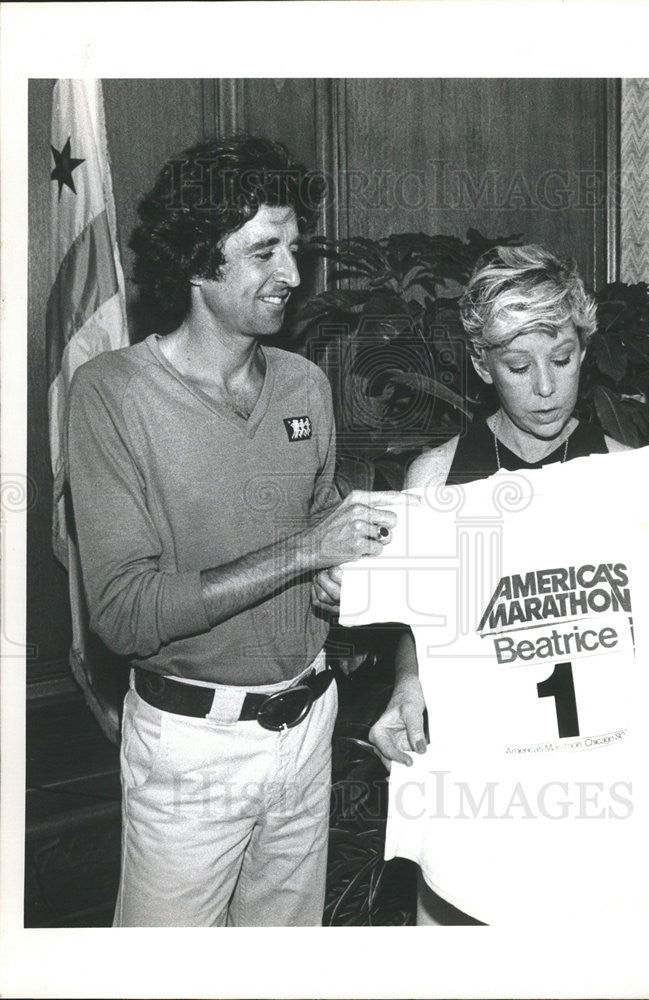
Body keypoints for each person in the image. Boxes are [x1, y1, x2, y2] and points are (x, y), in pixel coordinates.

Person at [313, 244, 649, 925]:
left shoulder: (638, 476)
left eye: (564, 358)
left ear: (586, 348)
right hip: (492, 797)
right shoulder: (439, 477)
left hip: (609, 797)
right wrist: (409, 678)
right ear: (482, 366)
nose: (546, 388)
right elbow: (428, 621)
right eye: (518, 367)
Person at [65, 135, 412, 927]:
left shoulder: (304, 383)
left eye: (293, 248)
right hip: (191, 750)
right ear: (196, 260)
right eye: (263, 252)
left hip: (308, 724)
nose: (291, 273)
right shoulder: (112, 393)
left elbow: (324, 531)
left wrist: (341, 575)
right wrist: (304, 552)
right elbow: (123, 613)